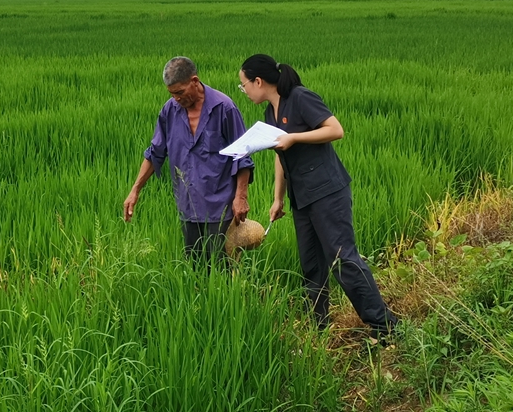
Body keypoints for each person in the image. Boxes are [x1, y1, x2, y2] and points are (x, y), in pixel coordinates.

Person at [238, 54, 397, 341]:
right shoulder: (270, 115)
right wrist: (278, 198)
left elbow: (335, 130)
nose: (244, 91)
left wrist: (295, 137)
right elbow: (280, 155)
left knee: (342, 259)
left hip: (327, 191)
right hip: (302, 197)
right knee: (311, 263)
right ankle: (319, 328)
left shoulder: (300, 98)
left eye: (244, 85)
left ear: (258, 81)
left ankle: (385, 325)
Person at [124, 57, 254, 269]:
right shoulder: (169, 111)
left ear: (195, 81)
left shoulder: (224, 108)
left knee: (222, 267)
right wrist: (135, 190)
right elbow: (155, 152)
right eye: (172, 94)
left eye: (180, 92)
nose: (176, 98)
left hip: (219, 206)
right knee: (194, 267)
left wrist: (241, 197)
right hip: (187, 204)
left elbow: (242, 156)